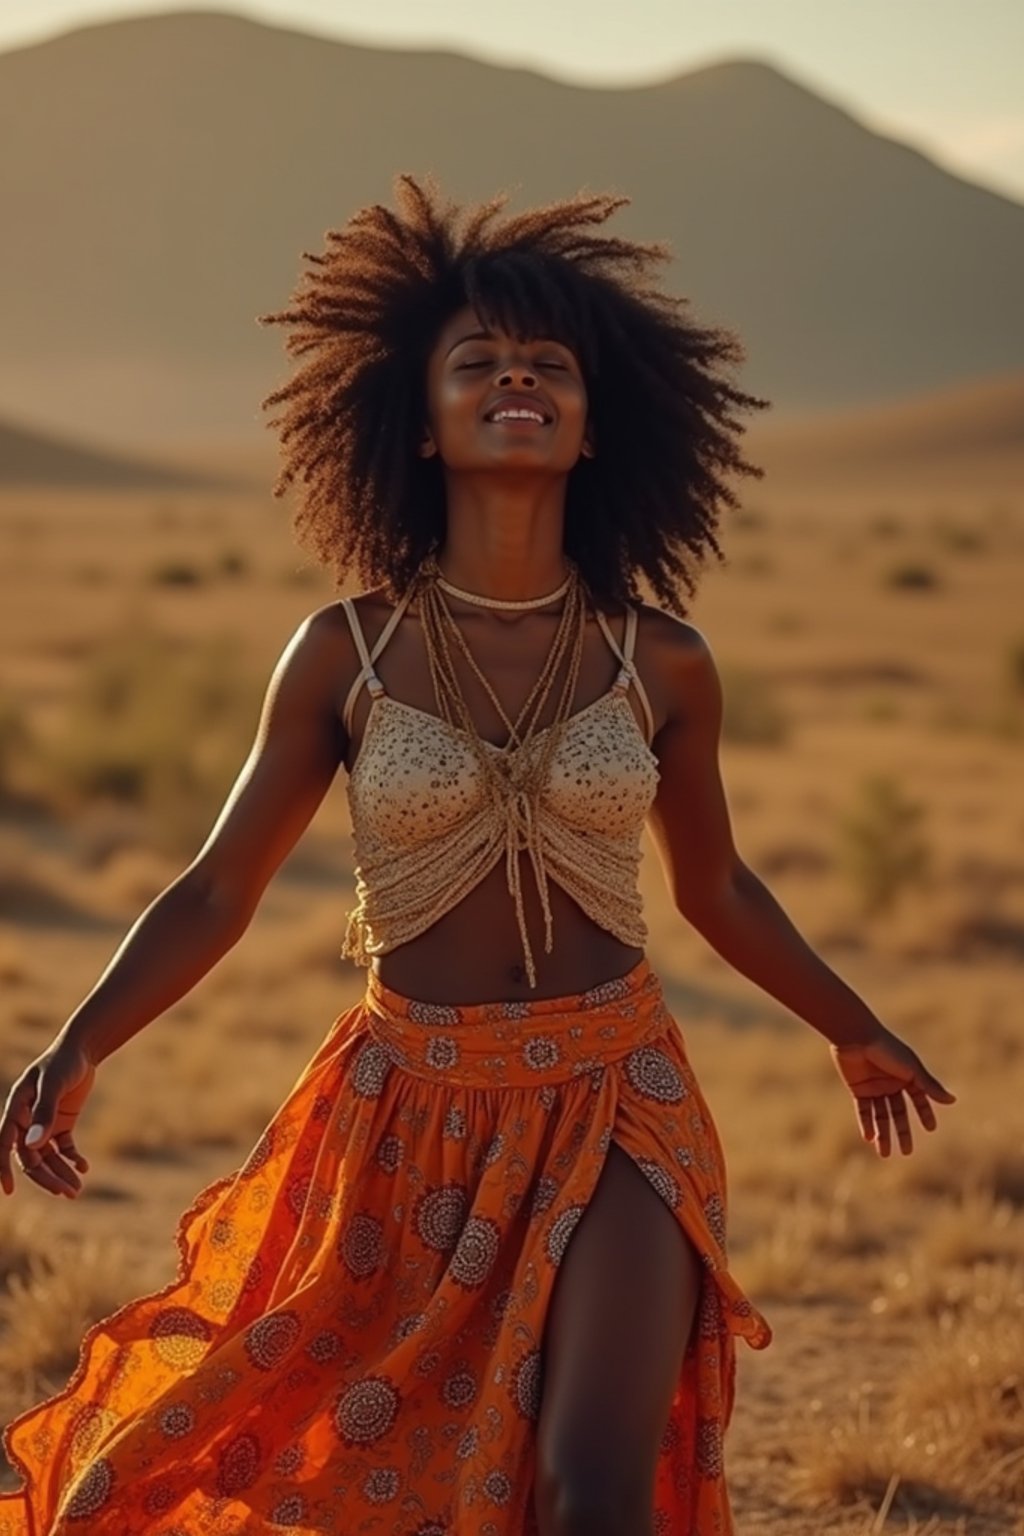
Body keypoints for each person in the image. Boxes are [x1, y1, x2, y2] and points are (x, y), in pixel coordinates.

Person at [0, 175, 956, 1536]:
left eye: (549, 365)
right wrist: (83, 1041)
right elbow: (221, 885)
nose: (518, 378)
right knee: (367, 1484)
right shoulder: (350, 651)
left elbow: (717, 886)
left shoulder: (662, 659)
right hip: (410, 1115)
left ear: (589, 427)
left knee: (589, 1486)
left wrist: (852, 1030)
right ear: (426, 425)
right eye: (480, 362)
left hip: (615, 1090)